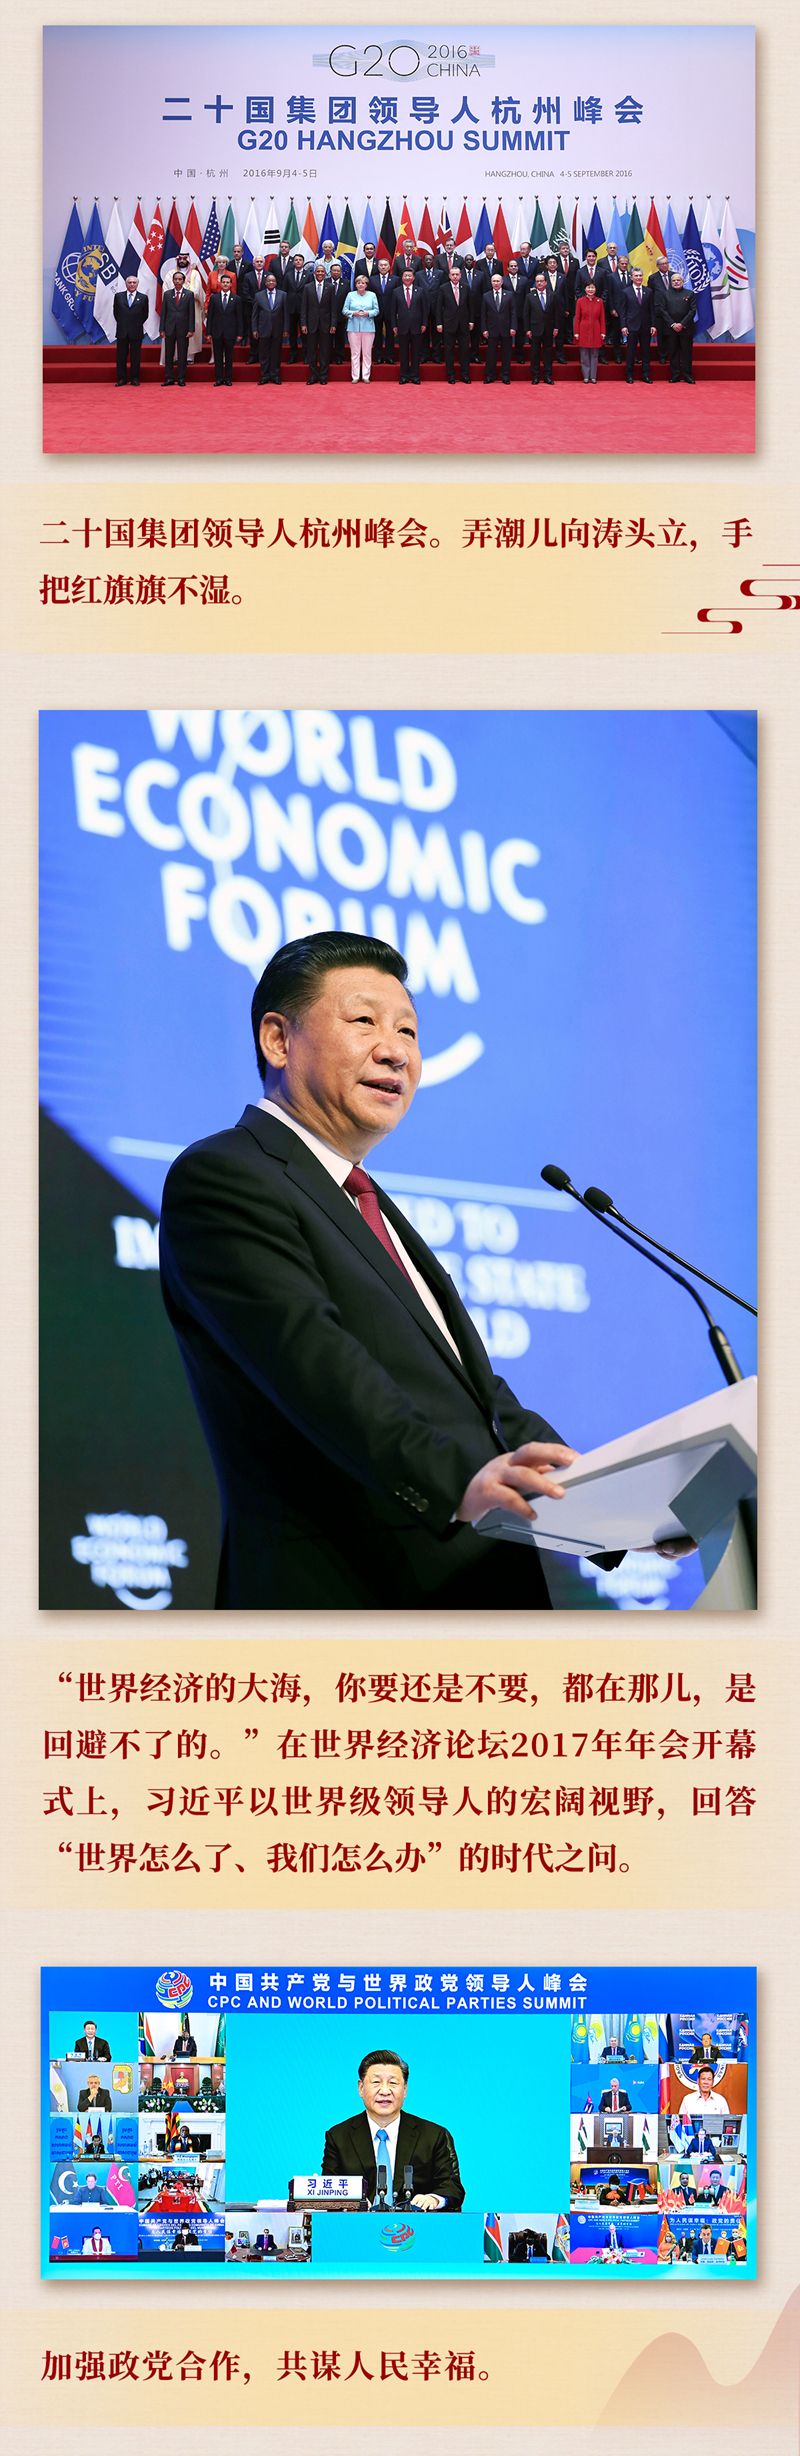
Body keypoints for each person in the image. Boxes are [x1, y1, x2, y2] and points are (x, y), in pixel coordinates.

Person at [159, 930, 591, 1611]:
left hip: (471, 1602)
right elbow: (315, 1364)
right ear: (278, 1040)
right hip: (341, 1601)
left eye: (408, 1030)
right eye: (364, 1021)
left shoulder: (363, 1200)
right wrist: (457, 1482)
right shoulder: (226, 1176)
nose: (396, 1050)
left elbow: (478, 1401)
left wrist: (611, 1507)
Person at [321, 2048, 465, 2211]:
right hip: (359, 2225)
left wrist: (433, 2199)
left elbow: (452, 2187)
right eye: (376, 2082)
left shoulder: (433, 2136)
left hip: (416, 2225)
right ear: (361, 2088)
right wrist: (350, 2202)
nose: (384, 2091)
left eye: (393, 2083)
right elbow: (328, 2191)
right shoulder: (339, 2137)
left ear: (405, 2089)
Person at [437, 262, 473, 383]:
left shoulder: (466, 287)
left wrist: (471, 321)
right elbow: (439, 307)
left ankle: (465, 375)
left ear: (460, 275)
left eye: (457, 274)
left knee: (464, 350)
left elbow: (470, 306)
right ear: (449, 276)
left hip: (463, 324)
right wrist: (439, 323)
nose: (455, 277)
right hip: (448, 324)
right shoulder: (443, 288)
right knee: (449, 351)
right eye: (453, 274)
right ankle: (451, 375)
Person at [159, 271, 196, 386]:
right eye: (175, 279)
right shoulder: (167, 294)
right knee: (169, 354)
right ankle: (169, 378)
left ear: (183, 281)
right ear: (173, 280)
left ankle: (181, 378)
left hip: (183, 329)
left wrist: (191, 329)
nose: (177, 281)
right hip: (169, 328)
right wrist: (162, 329)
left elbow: (191, 313)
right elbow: (163, 313)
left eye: (180, 279)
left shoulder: (189, 294)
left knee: (182, 354)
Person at [342, 271, 379, 382]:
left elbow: (376, 310)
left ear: (366, 285)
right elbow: (344, 310)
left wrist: (368, 313)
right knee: (355, 353)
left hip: (368, 327)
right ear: (356, 284)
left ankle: (366, 376)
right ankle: (355, 376)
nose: (360, 285)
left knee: (367, 353)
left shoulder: (372, 295)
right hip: (353, 327)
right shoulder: (350, 295)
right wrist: (353, 313)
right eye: (358, 283)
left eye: (363, 283)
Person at [300, 262, 333, 385]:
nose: (320, 273)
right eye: (318, 271)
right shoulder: (307, 287)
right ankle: (313, 376)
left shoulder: (330, 287)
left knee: (324, 352)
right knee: (311, 352)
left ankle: (323, 376)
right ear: (314, 273)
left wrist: (333, 324)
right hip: (311, 325)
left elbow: (333, 308)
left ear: (325, 274)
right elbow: (304, 307)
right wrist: (303, 324)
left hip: (326, 325)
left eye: (322, 271)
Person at [251, 271, 287, 385]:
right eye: (269, 281)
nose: (271, 282)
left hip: (278, 329)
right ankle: (264, 376)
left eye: (273, 281)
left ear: (276, 283)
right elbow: (255, 314)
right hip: (263, 329)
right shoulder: (258, 295)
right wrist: (254, 329)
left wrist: (286, 329)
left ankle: (275, 375)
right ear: (265, 283)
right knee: (264, 354)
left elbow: (286, 314)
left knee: (276, 353)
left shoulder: (283, 295)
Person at [620, 268, 655, 383]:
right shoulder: (626, 291)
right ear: (631, 277)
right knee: (631, 352)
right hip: (631, 326)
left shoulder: (649, 291)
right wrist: (623, 326)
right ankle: (629, 375)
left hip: (646, 326)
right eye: (636, 276)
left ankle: (646, 375)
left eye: (640, 275)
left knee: (646, 352)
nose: (639, 278)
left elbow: (652, 310)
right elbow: (623, 311)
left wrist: (653, 325)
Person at [392, 266, 426, 385]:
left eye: (409, 276)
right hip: (402, 327)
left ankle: (415, 376)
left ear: (413, 278)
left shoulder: (420, 291)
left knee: (416, 353)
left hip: (417, 326)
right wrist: (394, 325)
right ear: (402, 277)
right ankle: (404, 376)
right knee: (403, 353)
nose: (407, 277)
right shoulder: (396, 291)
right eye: (405, 275)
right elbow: (393, 311)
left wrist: (424, 323)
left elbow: (424, 309)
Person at [112, 275, 148, 387]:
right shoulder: (118, 296)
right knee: (121, 357)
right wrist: (124, 323)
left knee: (135, 357)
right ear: (126, 284)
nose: (132, 284)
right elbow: (116, 313)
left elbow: (145, 315)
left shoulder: (143, 297)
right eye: (130, 282)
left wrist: (135, 324)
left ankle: (135, 378)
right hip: (122, 331)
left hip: (136, 331)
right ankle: (122, 379)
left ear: (137, 284)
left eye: (134, 282)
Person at [482, 270, 516, 384]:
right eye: (494, 281)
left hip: (506, 329)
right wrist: (484, 329)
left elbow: (513, 313)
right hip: (491, 330)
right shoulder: (486, 296)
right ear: (491, 282)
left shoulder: (509, 295)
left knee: (506, 354)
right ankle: (489, 376)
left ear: (502, 282)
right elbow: (483, 314)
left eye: (498, 281)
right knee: (491, 354)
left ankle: (505, 376)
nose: (496, 283)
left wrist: (513, 327)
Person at [206, 271, 240, 386]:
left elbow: (239, 318)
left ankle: (228, 378)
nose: (225, 284)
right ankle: (219, 378)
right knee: (218, 357)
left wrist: (239, 333)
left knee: (229, 357)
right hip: (217, 332)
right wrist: (208, 332)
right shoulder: (214, 298)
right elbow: (210, 317)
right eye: (223, 282)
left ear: (231, 284)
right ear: (220, 284)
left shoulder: (236, 299)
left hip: (230, 332)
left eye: (227, 282)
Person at [665, 271, 697, 383]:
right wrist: (673, 324)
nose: (676, 282)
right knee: (673, 352)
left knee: (686, 352)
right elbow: (662, 311)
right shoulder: (665, 294)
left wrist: (682, 324)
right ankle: (675, 375)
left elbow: (692, 310)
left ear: (683, 281)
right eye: (673, 280)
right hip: (671, 328)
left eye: (678, 280)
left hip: (686, 328)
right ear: (671, 282)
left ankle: (687, 375)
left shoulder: (690, 293)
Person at [525, 269, 557, 384]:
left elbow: (556, 313)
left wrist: (556, 327)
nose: (539, 283)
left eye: (541, 281)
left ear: (545, 282)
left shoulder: (552, 295)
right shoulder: (530, 296)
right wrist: (527, 329)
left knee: (548, 353)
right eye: (537, 281)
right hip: (535, 329)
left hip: (549, 329)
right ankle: (535, 376)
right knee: (535, 353)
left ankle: (548, 376)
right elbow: (526, 314)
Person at [573, 280, 605, 383]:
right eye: (588, 287)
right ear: (585, 289)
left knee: (595, 354)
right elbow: (577, 318)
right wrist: (576, 332)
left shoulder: (600, 301)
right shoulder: (580, 301)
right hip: (583, 329)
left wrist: (603, 332)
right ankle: (586, 376)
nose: (590, 289)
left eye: (592, 287)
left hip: (596, 329)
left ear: (595, 289)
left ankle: (593, 376)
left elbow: (602, 318)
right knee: (584, 354)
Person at [371, 256, 397, 364]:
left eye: (385, 265)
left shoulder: (396, 279)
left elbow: (397, 297)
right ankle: (378, 356)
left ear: (389, 267)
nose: (383, 267)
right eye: (381, 265)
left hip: (390, 311)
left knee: (390, 335)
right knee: (377, 335)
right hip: (376, 311)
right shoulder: (372, 279)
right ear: (378, 267)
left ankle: (389, 356)